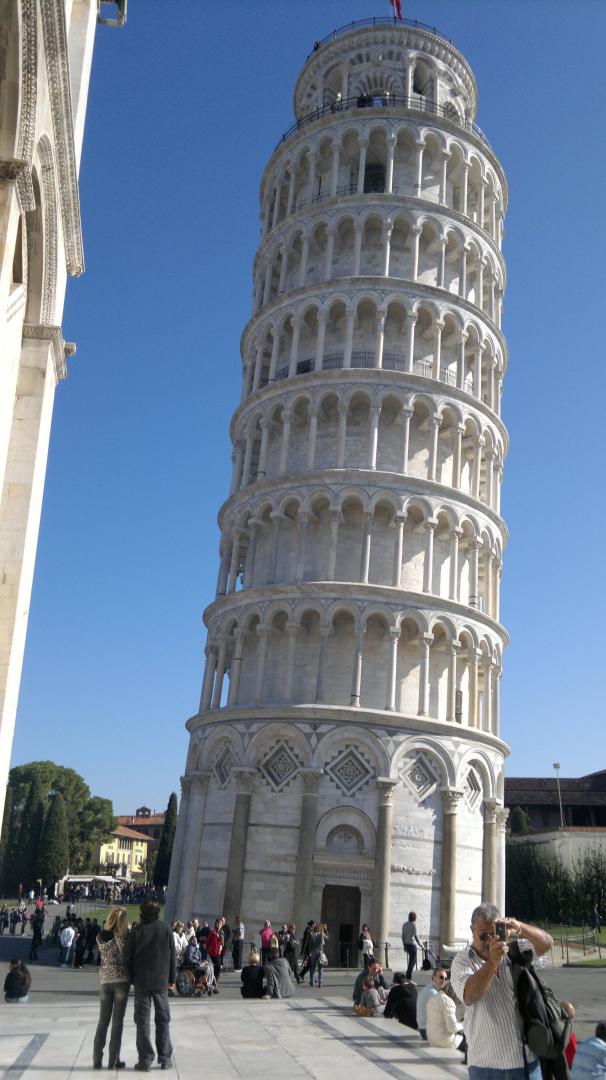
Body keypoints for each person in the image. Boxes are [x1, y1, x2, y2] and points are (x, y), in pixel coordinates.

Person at [450, 902, 553, 1080]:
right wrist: (492, 963)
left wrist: (520, 927)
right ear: (472, 930)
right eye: (483, 935)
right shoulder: (462, 961)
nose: (489, 941)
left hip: (524, 1060)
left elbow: (546, 943)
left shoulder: (514, 951)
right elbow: (469, 995)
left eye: (494, 934)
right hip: (486, 1066)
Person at [123, 899, 176, 1073]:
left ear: (142, 913)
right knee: (163, 1019)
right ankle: (165, 1057)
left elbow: (127, 959)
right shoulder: (166, 929)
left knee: (142, 1021)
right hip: (161, 982)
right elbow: (172, 957)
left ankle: (145, 1059)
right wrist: (172, 978)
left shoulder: (136, 932)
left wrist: (132, 978)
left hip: (142, 983)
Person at [93, 907, 129, 1071]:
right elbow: (126, 958)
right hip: (120, 981)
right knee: (117, 1022)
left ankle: (97, 1059)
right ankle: (113, 1061)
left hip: (104, 981)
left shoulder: (100, 936)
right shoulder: (121, 937)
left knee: (103, 1021)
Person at [426, 979, 466, 1053]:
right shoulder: (448, 1001)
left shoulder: (434, 997)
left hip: (432, 1039)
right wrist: (464, 1025)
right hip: (445, 1041)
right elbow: (452, 1028)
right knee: (467, 1040)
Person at [416, 967, 447, 1039]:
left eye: (446, 978)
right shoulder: (432, 992)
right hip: (427, 1031)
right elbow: (444, 1013)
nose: (444, 980)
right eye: (441, 977)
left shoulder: (430, 988)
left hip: (424, 1029)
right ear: (433, 978)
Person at [401, 912, 422, 982]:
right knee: (413, 961)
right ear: (415, 918)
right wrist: (420, 945)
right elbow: (416, 936)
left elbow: (403, 936)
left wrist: (404, 945)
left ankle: (407, 977)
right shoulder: (414, 925)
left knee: (411, 961)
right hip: (412, 945)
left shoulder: (405, 924)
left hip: (406, 944)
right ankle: (408, 977)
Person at [308, 921, 328, 989]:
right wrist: (325, 929)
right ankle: (320, 983)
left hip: (313, 952)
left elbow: (310, 944)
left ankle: (311, 981)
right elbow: (328, 937)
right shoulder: (321, 934)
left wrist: (310, 951)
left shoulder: (312, 934)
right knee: (320, 968)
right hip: (320, 952)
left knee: (313, 967)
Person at [205, 918, 224, 991]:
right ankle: (213, 984)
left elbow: (222, 942)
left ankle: (214, 984)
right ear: (216, 924)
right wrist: (208, 949)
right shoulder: (212, 932)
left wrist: (221, 947)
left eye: (220, 923)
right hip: (213, 953)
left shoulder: (221, 932)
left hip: (219, 953)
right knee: (217, 967)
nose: (219, 925)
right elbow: (208, 942)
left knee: (218, 969)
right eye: (218, 923)